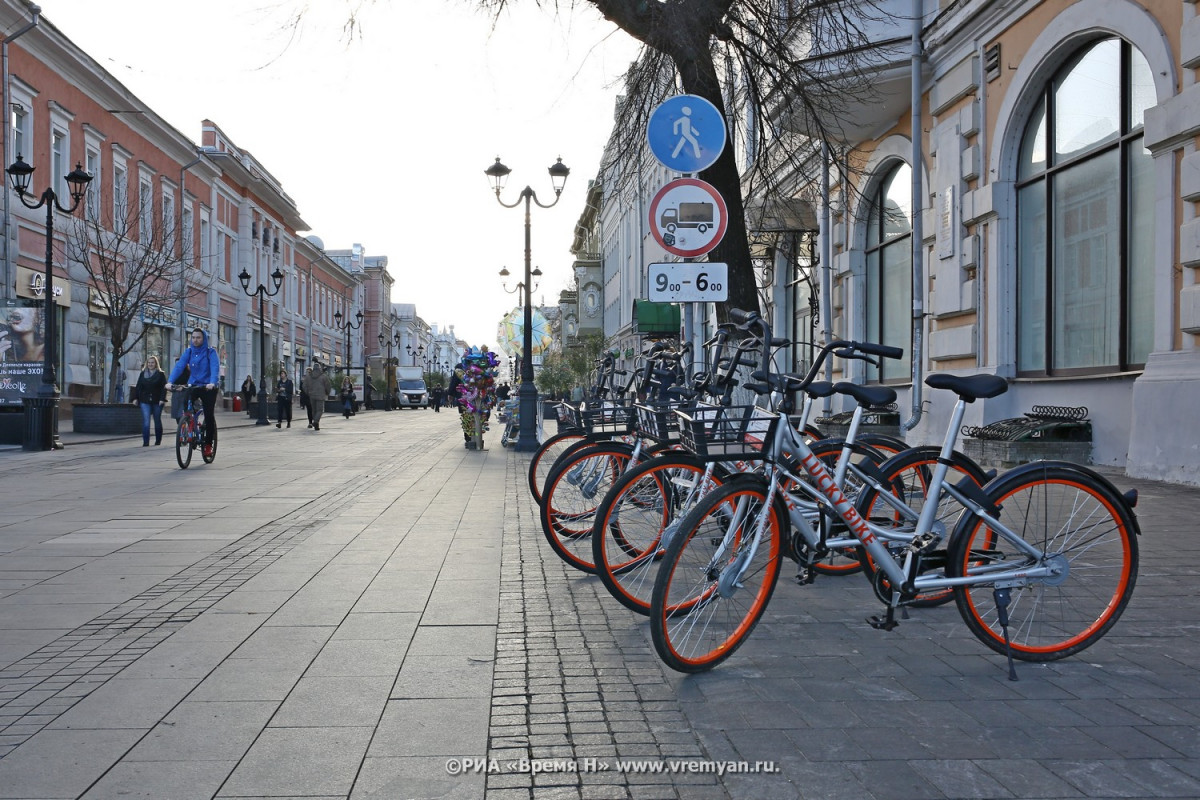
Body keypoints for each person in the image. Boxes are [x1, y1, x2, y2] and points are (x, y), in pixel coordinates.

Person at [166, 328, 220, 458]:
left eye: (198, 337)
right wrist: (170, 381)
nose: (195, 340)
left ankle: (207, 445)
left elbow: (214, 368)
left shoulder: (210, 352)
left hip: (208, 387)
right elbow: (179, 367)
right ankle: (189, 422)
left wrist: (212, 382)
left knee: (208, 414)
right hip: (194, 384)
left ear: (204, 339)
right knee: (186, 402)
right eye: (193, 337)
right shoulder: (189, 352)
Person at [132, 356, 167, 446]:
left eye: (152, 363)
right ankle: (146, 442)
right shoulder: (143, 374)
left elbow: (164, 388)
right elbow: (138, 386)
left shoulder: (160, 374)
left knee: (157, 420)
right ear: (147, 364)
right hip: (145, 400)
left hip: (157, 400)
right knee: (146, 421)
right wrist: (135, 398)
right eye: (149, 362)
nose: (150, 364)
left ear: (156, 364)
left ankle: (158, 441)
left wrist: (162, 399)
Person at [302, 362, 331, 431]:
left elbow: (304, 386)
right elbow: (328, 386)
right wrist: (327, 392)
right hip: (320, 395)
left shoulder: (308, 377)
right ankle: (315, 421)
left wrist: (308, 392)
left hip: (312, 395)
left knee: (314, 410)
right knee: (320, 410)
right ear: (319, 368)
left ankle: (316, 425)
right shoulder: (323, 376)